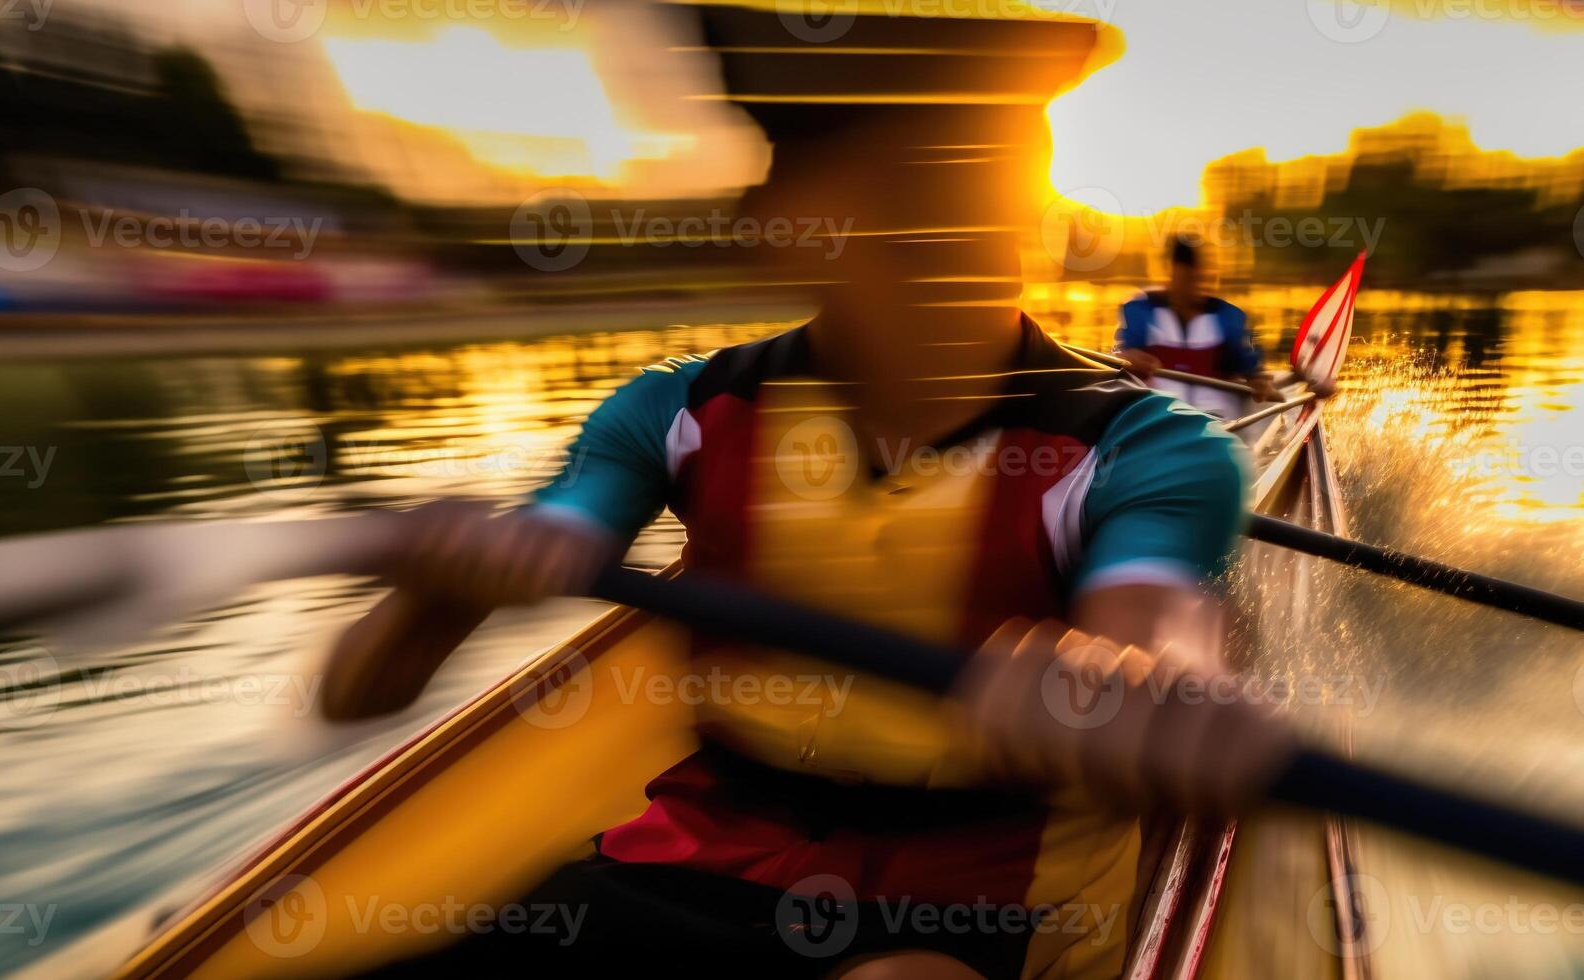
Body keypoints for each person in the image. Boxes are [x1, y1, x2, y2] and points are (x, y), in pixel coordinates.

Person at [324, 6, 1291, 978]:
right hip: (688, 868)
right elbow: (353, 695)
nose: (937, 235)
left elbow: (1160, 625)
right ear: (778, 227)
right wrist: (441, 591)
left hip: (968, 913)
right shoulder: (675, 408)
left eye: (969, 193)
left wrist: (1140, 678)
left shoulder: (1152, 447)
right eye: (891, 202)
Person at [1116, 237, 1282, 418]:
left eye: (1202, 274)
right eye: (1189, 275)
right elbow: (1118, 360)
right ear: (1172, 271)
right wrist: (1125, 359)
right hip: (1158, 421)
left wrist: (1257, 380)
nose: (1199, 282)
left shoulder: (1229, 317)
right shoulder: (1140, 312)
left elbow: (1249, 365)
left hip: (1219, 424)